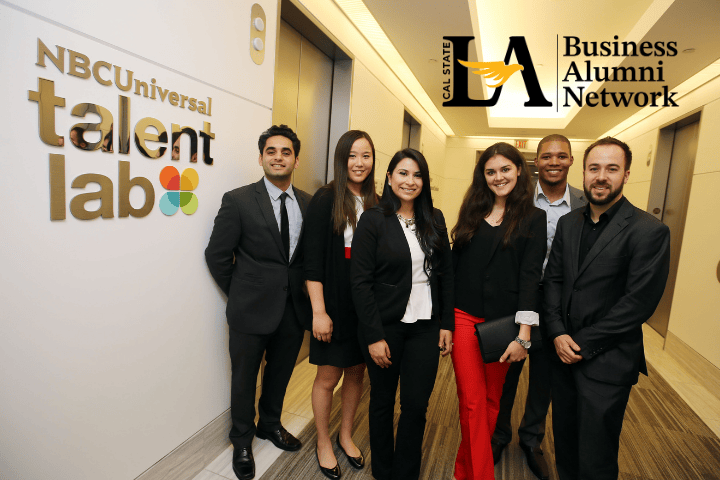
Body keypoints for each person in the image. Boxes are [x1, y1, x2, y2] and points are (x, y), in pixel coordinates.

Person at [544, 137, 670, 480]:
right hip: (562, 354)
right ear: (583, 173)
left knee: (596, 456)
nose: (601, 176)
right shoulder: (569, 223)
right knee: (565, 446)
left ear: (626, 174)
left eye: (611, 169)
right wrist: (556, 333)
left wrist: (581, 343)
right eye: (594, 168)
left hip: (607, 362)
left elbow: (638, 304)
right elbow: (553, 280)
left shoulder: (649, 231)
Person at [205, 124, 312, 480]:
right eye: (271, 151)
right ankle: (243, 441)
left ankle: (270, 425)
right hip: (249, 310)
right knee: (244, 378)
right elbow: (217, 254)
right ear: (262, 157)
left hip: (293, 310)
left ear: (296, 159)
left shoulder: (309, 204)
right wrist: (239, 292)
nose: (278, 157)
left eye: (285, 152)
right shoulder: (238, 200)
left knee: (280, 374)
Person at [351, 148, 454, 480]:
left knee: (415, 406)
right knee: (382, 402)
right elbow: (360, 282)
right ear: (389, 177)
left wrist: (446, 324)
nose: (411, 181)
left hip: (425, 326)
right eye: (404, 173)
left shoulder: (434, 218)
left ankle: (405, 473)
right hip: (386, 326)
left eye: (418, 175)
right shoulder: (373, 219)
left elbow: (446, 275)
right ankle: (383, 471)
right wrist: (374, 335)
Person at [491, 135, 586, 479]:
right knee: (506, 372)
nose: (554, 162)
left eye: (562, 156)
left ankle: (531, 439)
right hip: (516, 300)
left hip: (559, 305)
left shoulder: (585, 201)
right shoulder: (514, 196)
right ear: (536, 162)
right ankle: (499, 434)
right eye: (546, 156)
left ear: (571, 161)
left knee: (545, 376)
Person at [450, 142, 546, 480]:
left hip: (504, 327)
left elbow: (530, 279)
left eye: (505, 169)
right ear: (483, 176)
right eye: (490, 172)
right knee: (472, 402)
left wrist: (524, 336)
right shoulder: (472, 211)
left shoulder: (534, 218)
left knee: (492, 402)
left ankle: (465, 471)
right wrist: (445, 322)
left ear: (519, 170)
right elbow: (455, 268)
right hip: (464, 317)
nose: (498, 177)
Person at [303, 130, 378, 479]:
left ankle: (345, 434)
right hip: (333, 303)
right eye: (352, 155)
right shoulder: (326, 198)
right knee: (327, 376)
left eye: (366, 155)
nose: (359, 163)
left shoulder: (379, 201)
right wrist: (319, 311)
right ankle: (322, 441)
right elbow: (312, 262)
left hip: (366, 306)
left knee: (356, 372)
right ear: (341, 159)